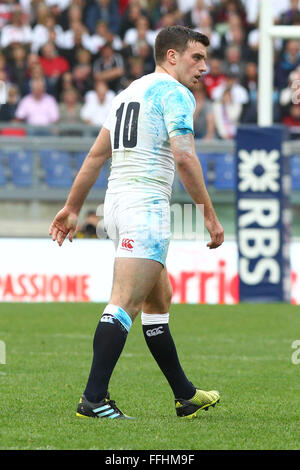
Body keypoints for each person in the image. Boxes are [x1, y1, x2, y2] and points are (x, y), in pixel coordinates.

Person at [49, 26, 224, 420]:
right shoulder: (176, 93)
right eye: (196, 58)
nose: (205, 67)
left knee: (158, 299)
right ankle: (94, 399)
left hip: (116, 205)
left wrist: (73, 208)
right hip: (145, 206)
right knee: (125, 300)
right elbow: (184, 157)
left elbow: (96, 157)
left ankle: (185, 394)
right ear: (172, 56)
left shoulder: (128, 92)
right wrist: (209, 217)